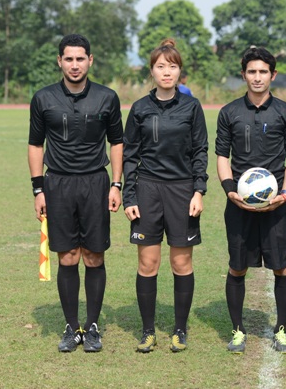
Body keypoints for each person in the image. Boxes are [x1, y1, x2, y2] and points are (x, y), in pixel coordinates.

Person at [28, 34, 124, 353]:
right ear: (59, 61)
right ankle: (72, 328)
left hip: (96, 182)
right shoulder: (43, 98)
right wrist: (38, 188)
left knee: (94, 256)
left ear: (90, 60)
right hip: (58, 184)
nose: (74, 65)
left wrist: (116, 183)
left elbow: (117, 143)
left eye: (80, 59)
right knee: (67, 257)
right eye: (68, 59)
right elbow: (35, 145)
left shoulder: (107, 98)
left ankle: (93, 327)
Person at [123, 38, 208, 353]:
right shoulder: (140, 109)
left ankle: (180, 330)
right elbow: (131, 155)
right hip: (147, 191)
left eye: (172, 66)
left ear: (180, 71)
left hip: (183, 190)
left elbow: (200, 150)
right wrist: (130, 197)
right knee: (148, 262)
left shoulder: (191, 106)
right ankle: (147, 331)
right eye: (161, 66)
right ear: (152, 71)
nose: (167, 72)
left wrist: (199, 190)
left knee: (181, 262)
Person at [215, 46, 286, 354]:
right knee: (237, 267)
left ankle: (280, 330)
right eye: (251, 72)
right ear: (243, 75)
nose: (257, 77)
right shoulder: (228, 113)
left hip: (277, 205)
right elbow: (222, 157)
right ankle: (238, 331)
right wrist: (230, 191)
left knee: (282, 267)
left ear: (273, 75)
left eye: (263, 72)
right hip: (240, 205)